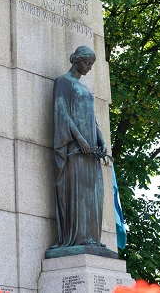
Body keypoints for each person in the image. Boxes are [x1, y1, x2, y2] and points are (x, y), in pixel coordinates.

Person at [51, 46, 109, 249]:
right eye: (87, 63)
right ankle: (77, 238)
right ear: (76, 60)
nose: (89, 68)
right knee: (78, 194)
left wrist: (100, 139)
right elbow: (62, 113)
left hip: (91, 151)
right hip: (75, 150)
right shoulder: (63, 82)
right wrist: (80, 139)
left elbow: (92, 118)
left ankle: (92, 238)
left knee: (93, 195)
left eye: (92, 64)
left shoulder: (84, 88)